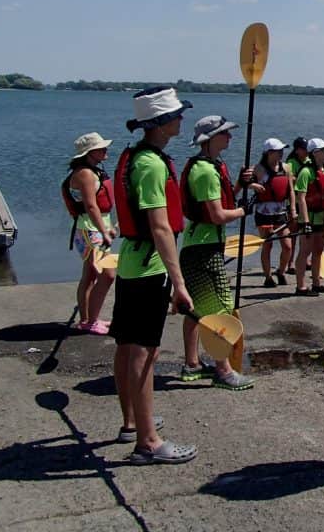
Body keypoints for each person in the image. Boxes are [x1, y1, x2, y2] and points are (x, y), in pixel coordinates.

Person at [110, 87, 196, 465]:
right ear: (161, 123)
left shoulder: (135, 158)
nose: (182, 119)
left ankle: (132, 421)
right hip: (149, 268)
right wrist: (179, 284)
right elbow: (161, 229)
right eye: (177, 115)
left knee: (129, 345)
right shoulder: (152, 164)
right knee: (145, 350)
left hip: (131, 261)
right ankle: (148, 441)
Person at [178, 115, 255, 391]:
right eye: (225, 133)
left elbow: (221, 202)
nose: (230, 137)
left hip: (197, 245)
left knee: (195, 310)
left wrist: (239, 186)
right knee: (219, 310)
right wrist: (244, 210)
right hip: (203, 250)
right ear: (210, 139)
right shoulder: (206, 171)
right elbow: (218, 214)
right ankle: (224, 371)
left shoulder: (210, 166)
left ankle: (192, 364)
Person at [61, 132, 117, 334]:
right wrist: (104, 231)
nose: (106, 150)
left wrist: (108, 227)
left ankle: (87, 320)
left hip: (95, 228)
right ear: (89, 153)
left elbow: (99, 209)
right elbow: (91, 207)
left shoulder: (93, 171)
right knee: (108, 274)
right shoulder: (84, 173)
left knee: (91, 274)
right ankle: (90, 320)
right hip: (89, 230)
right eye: (101, 148)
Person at [251, 137, 296, 287]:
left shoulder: (286, 168)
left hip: (280, 212)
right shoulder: (258, 169)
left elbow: (291, 191)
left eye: (282, 150)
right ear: (268, 153)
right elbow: (245, 182)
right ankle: (268, 277)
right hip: (263, 213)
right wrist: (254, 186)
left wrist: (293, 210)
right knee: (268, 245)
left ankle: (281, 272)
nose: (281, 153)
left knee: (287, 246)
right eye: (277, 151)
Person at [294, 137, 324, 296]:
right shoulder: (305, 172)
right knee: (305, 251)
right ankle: (300, 286)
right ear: (315, 153)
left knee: (319, 250)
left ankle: (316, 283)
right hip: (309, 218)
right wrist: (305, 221)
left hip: (323, 217)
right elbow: (301, 198)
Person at [284, 137, 311, 276]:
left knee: (305, 233)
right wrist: (300, 178)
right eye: (304, 149)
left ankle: (305, 260)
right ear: (297, 150)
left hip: (306, 201)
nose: (307, 151)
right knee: (293, 233)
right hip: (293, 202)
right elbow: (290, 179)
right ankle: (290, 263)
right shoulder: (290, 163)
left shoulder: (308, 161)